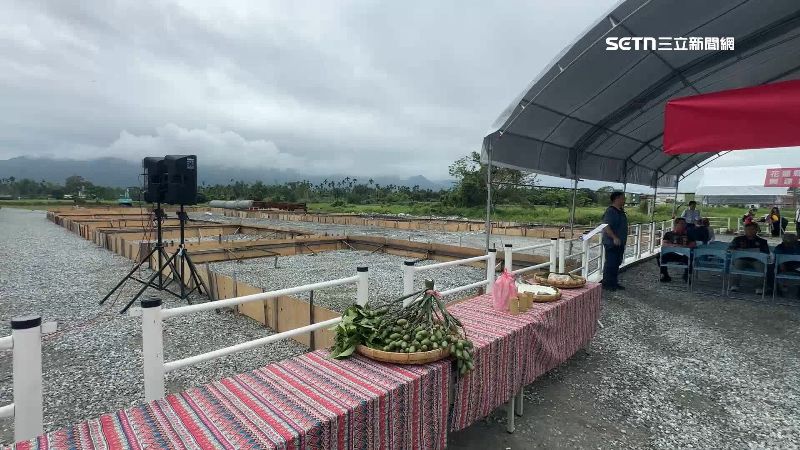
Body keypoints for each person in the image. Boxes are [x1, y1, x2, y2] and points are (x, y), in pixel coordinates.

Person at [728, 222, 771, 293]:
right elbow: (730, 249)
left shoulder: (762, 241)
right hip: (741, 259)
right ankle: (735, 285)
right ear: (745, 230)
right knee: (737, 265)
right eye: (748, 229)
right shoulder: (738, 239)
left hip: (756, 260)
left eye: (752, 229)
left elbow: (766, 253)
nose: (750, 231)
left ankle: (759, 287)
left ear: (756, 230)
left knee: (761, 267)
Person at [601, 191, 628, 291]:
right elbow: (606, 226)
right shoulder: (610, 211)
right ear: (616, 199)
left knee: (617, 263)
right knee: (611, 263)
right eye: (622, 198)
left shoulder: (620, 211)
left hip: (620, 242)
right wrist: (614, 237)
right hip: (612, 243)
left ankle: (614, 283)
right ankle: (607, 284)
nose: (624, 200)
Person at [660, 218, 696, 282]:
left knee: (691, 256)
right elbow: (664, 244)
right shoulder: (668, 234)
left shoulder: (689, 234)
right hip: (672, 253)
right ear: (676, 224)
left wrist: (682, 247)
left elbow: (693, 245)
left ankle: (687, 275)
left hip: (685, 254)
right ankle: (665, 275)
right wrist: (673, 246)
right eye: (682, 223)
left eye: (685, 224)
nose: (684, 225)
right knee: (660, 256)